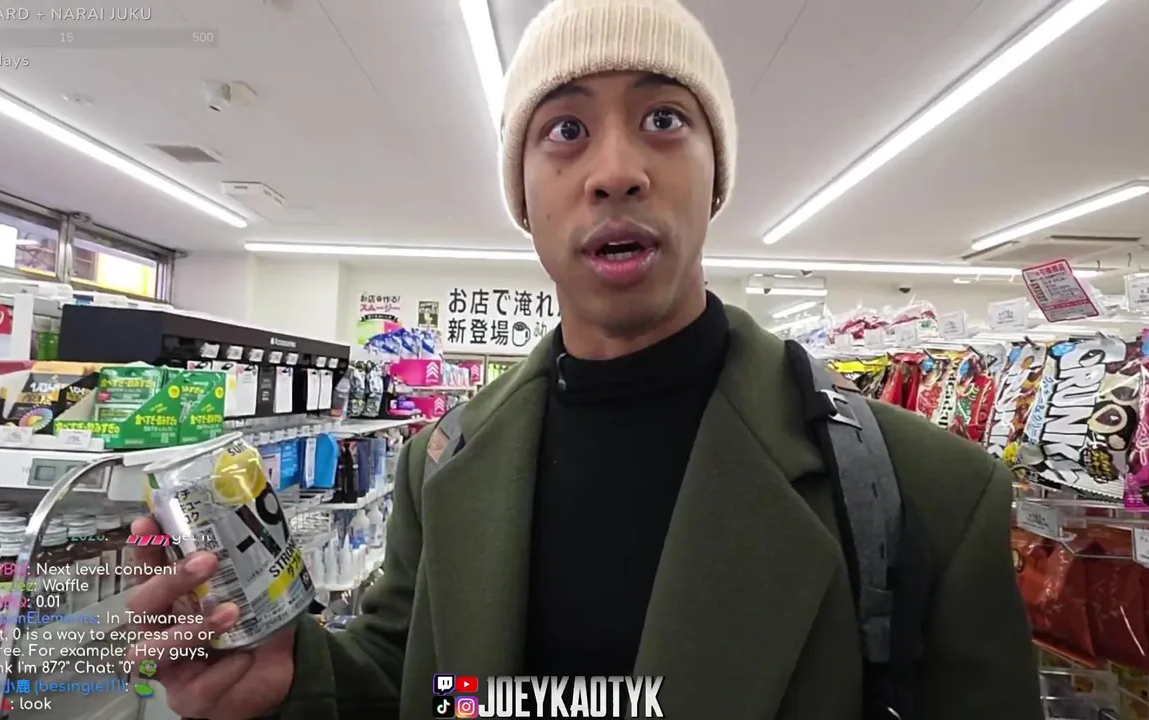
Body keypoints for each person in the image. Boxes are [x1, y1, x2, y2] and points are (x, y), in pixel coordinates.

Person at [126, 0, 1042, 717]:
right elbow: (416, 684)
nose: (615, 171)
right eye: (564, 129)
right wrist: (292, 679)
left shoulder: (929, 493)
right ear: (523, 195)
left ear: (715, 177)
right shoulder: (443, 462)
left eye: (664, 118)